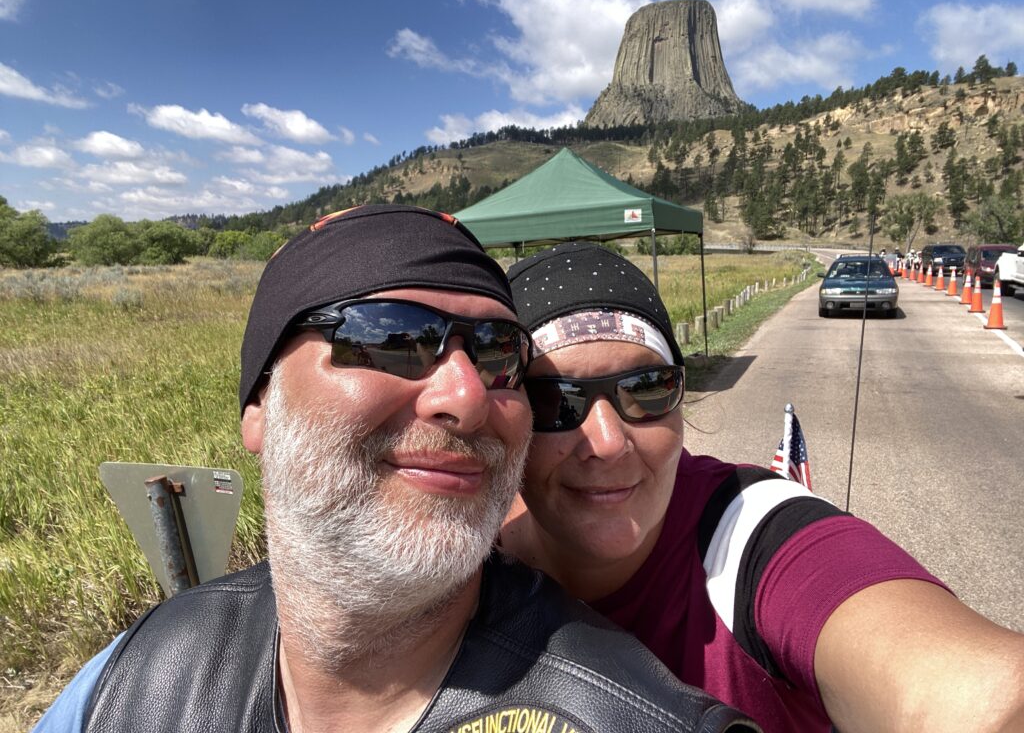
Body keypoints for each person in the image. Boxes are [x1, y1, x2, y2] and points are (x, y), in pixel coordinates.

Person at [33, 207, 758, 733]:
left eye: (500, 354)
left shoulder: (633, 715)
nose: (469, 396)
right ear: (259, 403)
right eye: (391, 336)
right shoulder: (134, 679)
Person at [501, 241, 1024, 733]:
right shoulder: (464, 561)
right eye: (556, 401)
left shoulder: (753, 534)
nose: (609, 442)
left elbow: (978, 696)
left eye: (647, 388)